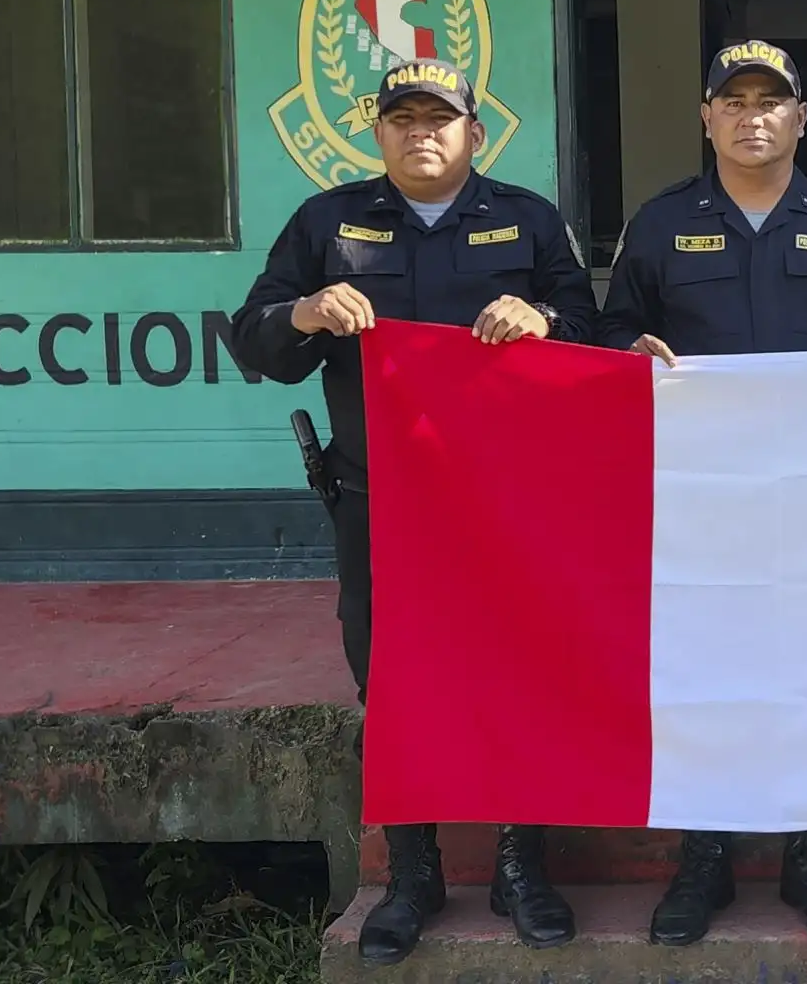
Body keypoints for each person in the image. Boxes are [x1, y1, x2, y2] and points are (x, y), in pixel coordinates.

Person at [229, 58, 599, 966]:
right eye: (402, 117)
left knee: (518, 670)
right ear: (377, 131)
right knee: (392, 684)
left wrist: (544, 317)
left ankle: (521, 866)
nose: (420, 132)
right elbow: (254, 339)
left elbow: (599, 329)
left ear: (475, 131)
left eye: (440, 118)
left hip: (504, 502)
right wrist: (308, 312)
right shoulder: (327, 223)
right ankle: (413, 873)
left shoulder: (527, 219)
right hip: (378, 498)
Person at [599, 38, 807, 947]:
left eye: (770, 101)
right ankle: (706, 853)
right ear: (706, 117)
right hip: (702, 506)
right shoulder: (659, 227)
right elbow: (615, 331)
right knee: (709, 670)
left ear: (801, 117)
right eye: (732, 101)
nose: (751, 116)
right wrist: (628, 356)